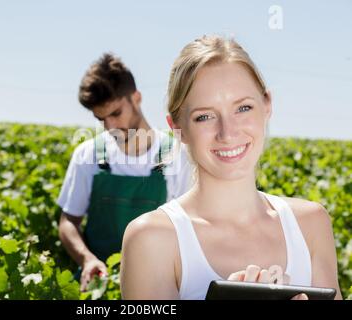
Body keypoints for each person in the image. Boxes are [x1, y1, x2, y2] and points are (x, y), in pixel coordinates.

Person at [120, 35, 342, 300]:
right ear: (178, 128)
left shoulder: (311, 224)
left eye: (243, 108)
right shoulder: (152, 239)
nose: (227, 132)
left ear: (267, 105)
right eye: (204, 116)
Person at [57, 53, 194, 291]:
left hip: (155, 288)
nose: (110, 126)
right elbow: (68, 221)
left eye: (116, 113)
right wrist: (86, 259)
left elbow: (190, 231)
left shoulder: (178, 157)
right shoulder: (88, 155)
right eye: (101, 118)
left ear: (136, 98)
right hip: (97, 285)